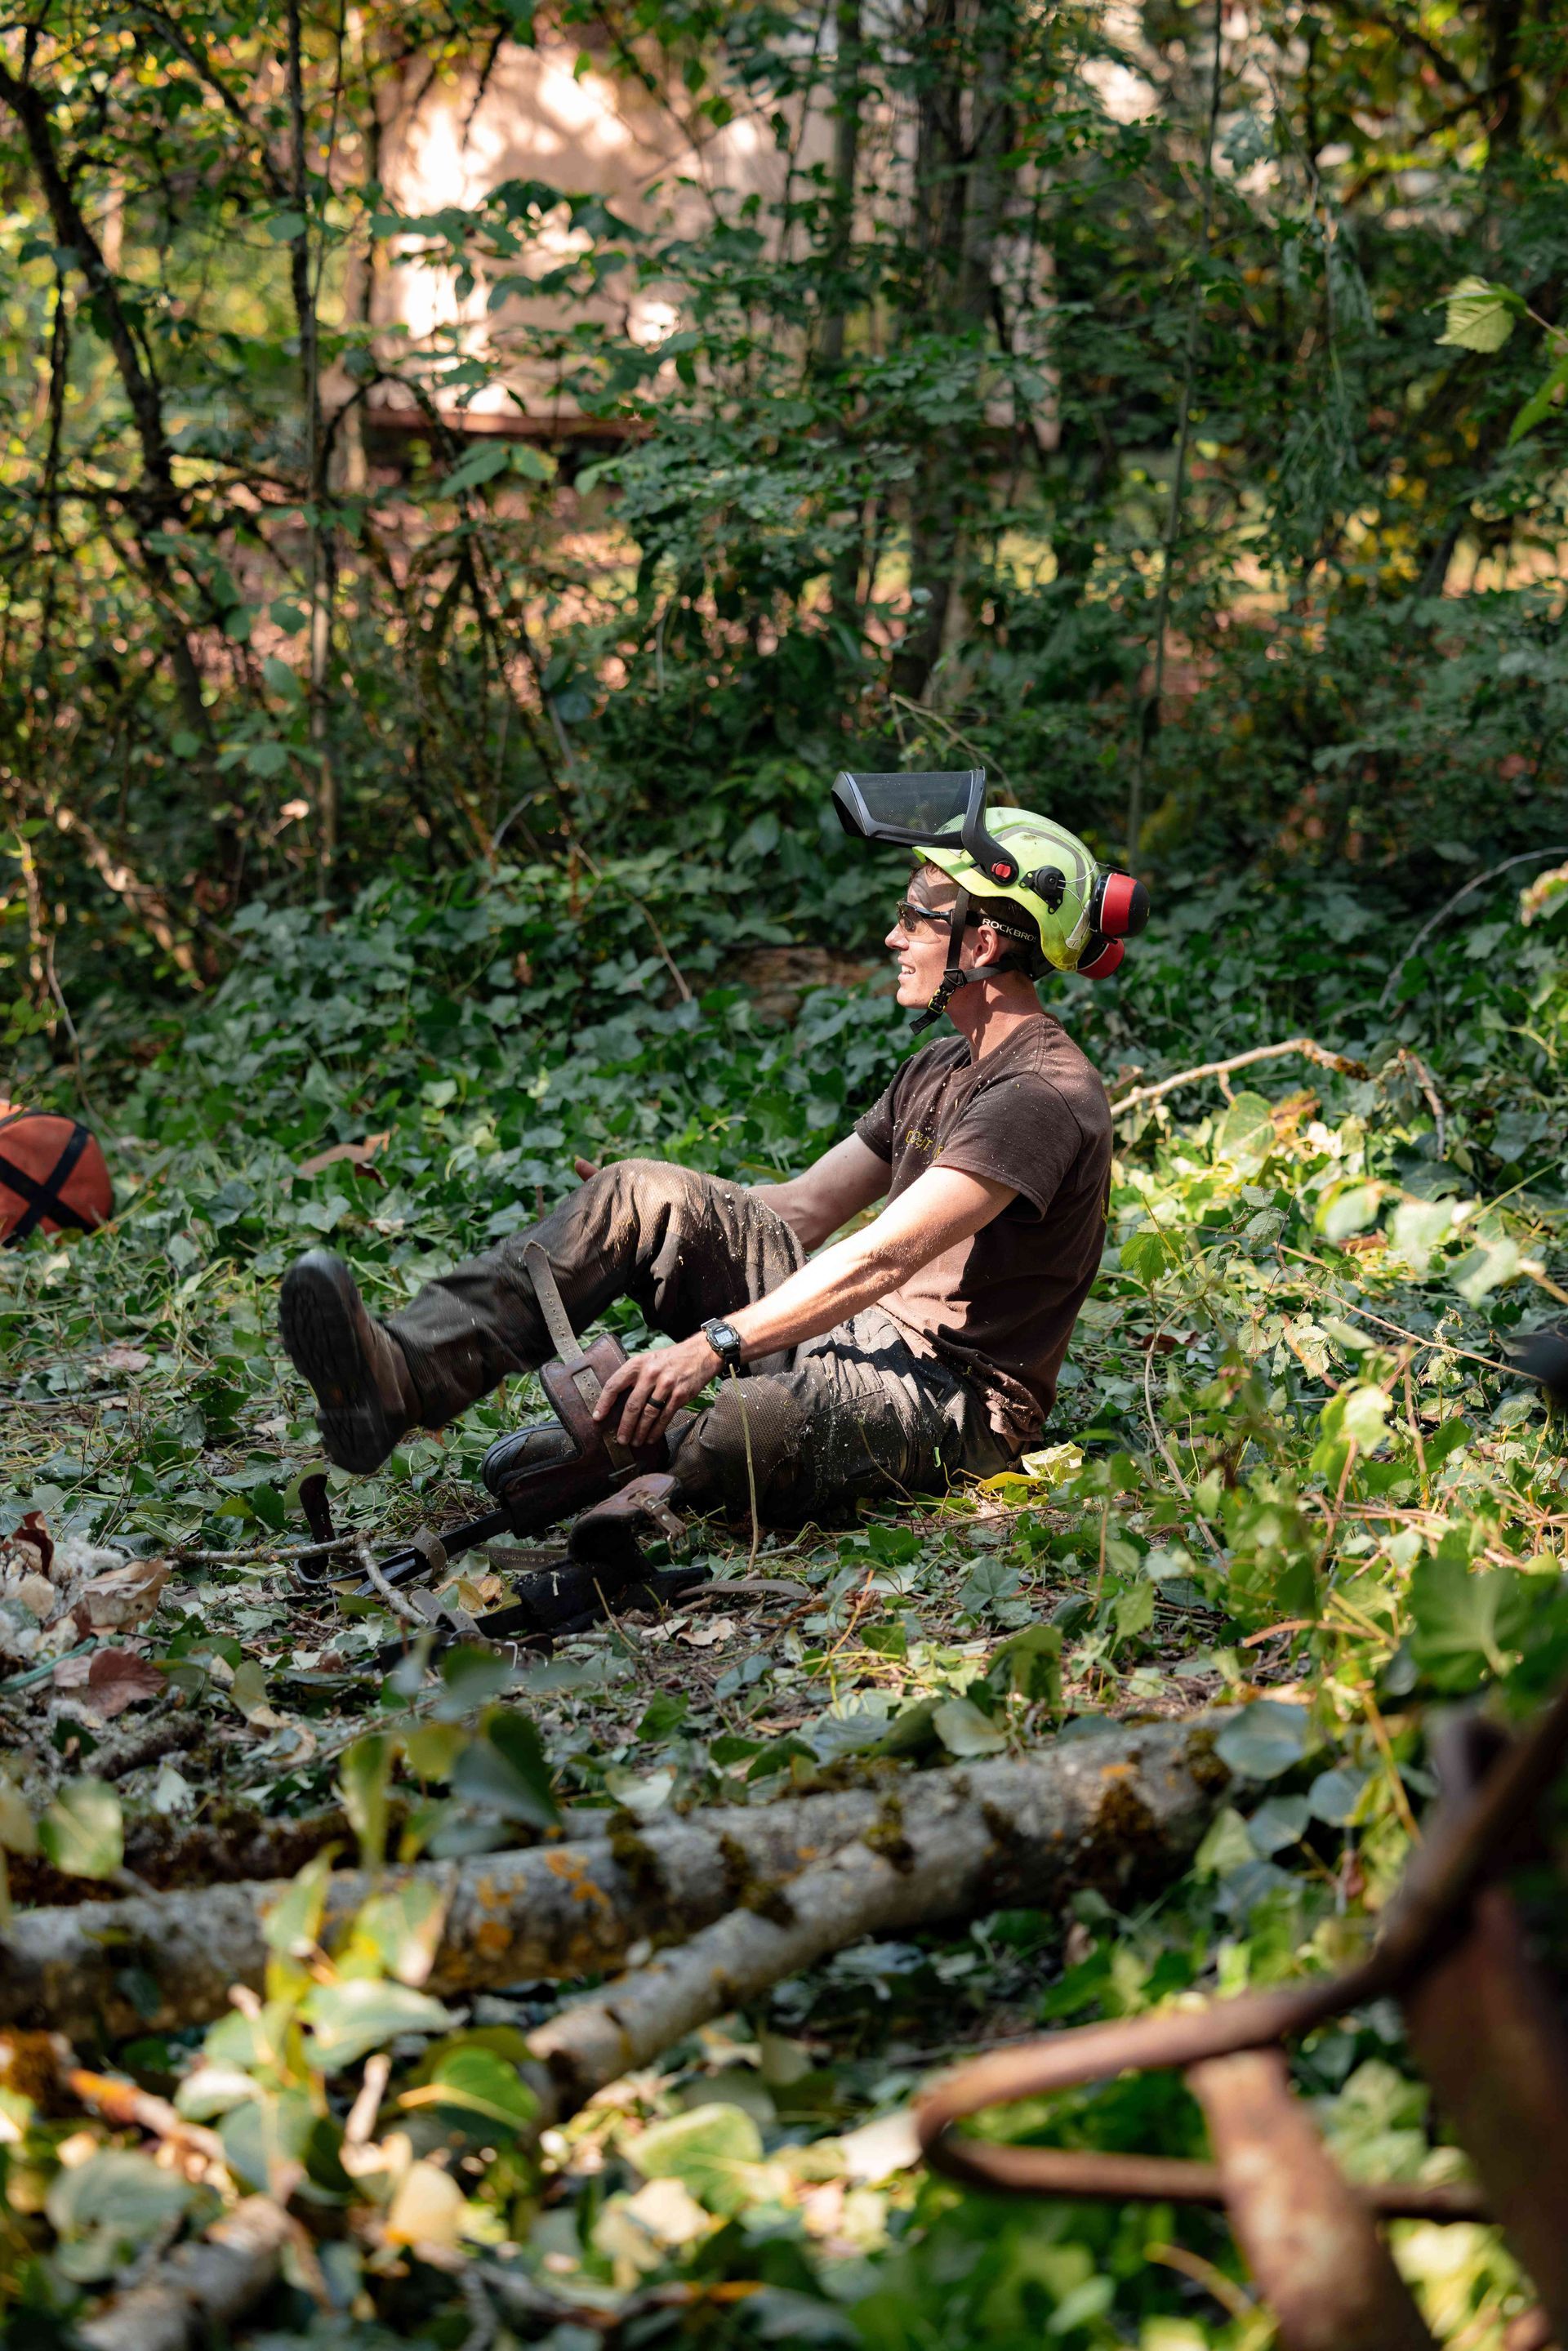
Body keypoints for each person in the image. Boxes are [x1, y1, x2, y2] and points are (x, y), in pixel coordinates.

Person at [278, 773, 1147, 1525]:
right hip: (857, 1330)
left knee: (748, 1422)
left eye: (915, 921)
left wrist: (713, 1344)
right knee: (640, 1192)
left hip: (947, 1396)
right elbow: (806, 1206)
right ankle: (400, 1375)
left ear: (983, 944)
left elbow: (883, 1255)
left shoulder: (1038, 1091)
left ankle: (650, 1459)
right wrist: (650, 1202)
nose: (893, 938)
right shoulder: (945, 1058)